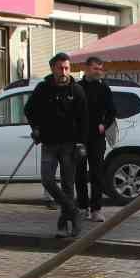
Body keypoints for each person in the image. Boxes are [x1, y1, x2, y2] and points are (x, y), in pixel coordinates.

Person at [24, 52, 91, 238]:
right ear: (52, 68)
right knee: (47, 180)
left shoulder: (76, 90)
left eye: (67, 68)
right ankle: (74, 210)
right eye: (60, 68)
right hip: (49, 143)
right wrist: (35, 128)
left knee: (69, 185)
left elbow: (84, 119)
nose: (64, 71)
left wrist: (81, 143)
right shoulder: (43, 88)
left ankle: (65, 225)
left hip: (70, 145)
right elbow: (29, 110)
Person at [75, 56, 117, 223]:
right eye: (95, 68)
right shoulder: (77, 87)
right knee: (79, 173)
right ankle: (82, 207)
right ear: (87, 68)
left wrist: (104, 125)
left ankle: (97, 209)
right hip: (79, 137)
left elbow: (112, 111)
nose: (99, 72)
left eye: (101, 69)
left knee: (97, 173)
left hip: (97, 137)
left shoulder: (104, 88)